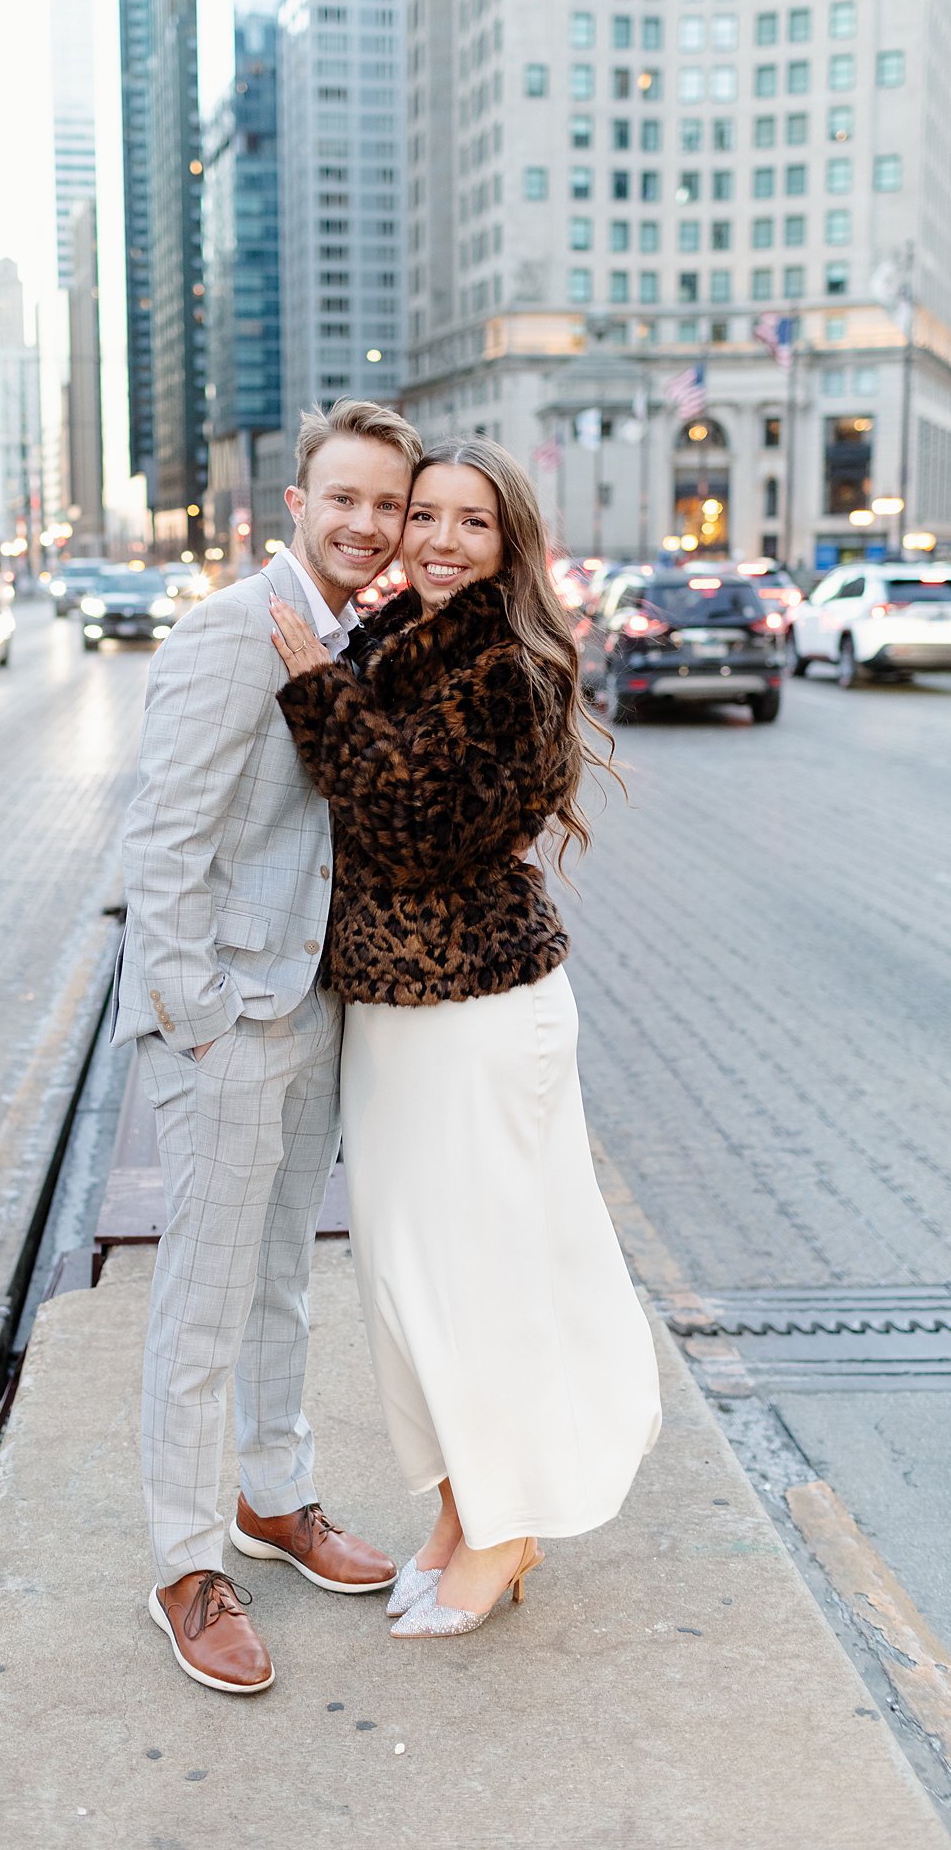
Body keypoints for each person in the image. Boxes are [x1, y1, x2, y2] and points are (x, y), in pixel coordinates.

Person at [269, 436, 662, 1640]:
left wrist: (317, 692)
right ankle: (456, 1506)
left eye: (470, 522)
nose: (438, 539)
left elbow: (408, 825)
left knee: (479, 1278)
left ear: (511, 542)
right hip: (396, 1017)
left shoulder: (512, 664)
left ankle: (506, 1528)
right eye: (422, 515)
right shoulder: (391, 641)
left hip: (481, 1012)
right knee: (405, 1282)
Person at [114, 396, 424, 1693]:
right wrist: (198, 1024)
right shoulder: (230, 630)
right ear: (296, 506)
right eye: (342, 499)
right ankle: (186, 1563)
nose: (365, 524)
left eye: (387, 507)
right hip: (232, 1025)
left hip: (320, 1011)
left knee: (290, 1273)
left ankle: (274, 1496)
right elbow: (163, 841)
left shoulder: (364, 635)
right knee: (202, 1301)